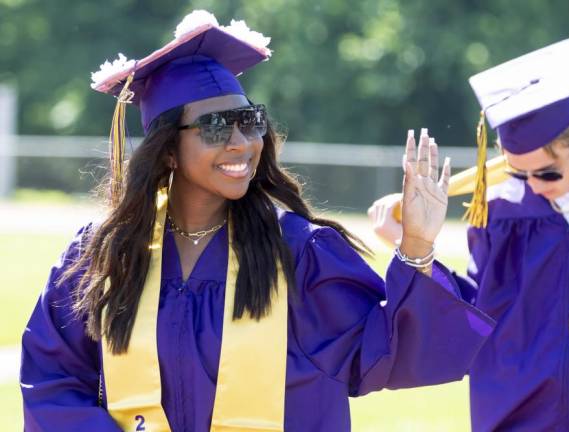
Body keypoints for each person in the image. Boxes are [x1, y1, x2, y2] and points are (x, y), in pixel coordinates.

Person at [20, 10, 494, 431]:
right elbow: (52, 379)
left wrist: (415, 245)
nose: (241, 142)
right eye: (214, 126)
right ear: (167, 151)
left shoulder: (299, 253)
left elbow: (384, 354)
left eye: (249, 120)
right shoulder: (104, 257)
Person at [369, 38, 569, 431]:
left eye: (548, 172)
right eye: (519, 172)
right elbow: (474, 311)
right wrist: (414, 246)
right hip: (518, 415)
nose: (533, 187)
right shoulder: (502, 209)